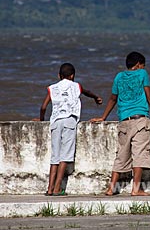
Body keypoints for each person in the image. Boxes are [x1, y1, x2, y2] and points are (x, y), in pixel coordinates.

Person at [90, 51, 150, 196]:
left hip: (124, 121)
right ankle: (136, 189)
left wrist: (103, 117)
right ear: (139, 64)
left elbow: (112, 99)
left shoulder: (119, 77)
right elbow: (149, 95)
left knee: (121, 155)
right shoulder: (142, 74)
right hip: (140, 119)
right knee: (139, 155)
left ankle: (111, 188)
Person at [33, 62, 103, 196]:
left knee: (55, 156)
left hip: (55, 121)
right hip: (69, 120)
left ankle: (49, 188)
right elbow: (87, 92)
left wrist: (42, 119)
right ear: (72, 76)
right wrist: (96, 98)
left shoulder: (52, 88)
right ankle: (57, 187)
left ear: (59, 75)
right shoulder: (76, 86)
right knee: (65, 156)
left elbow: (43, 107)